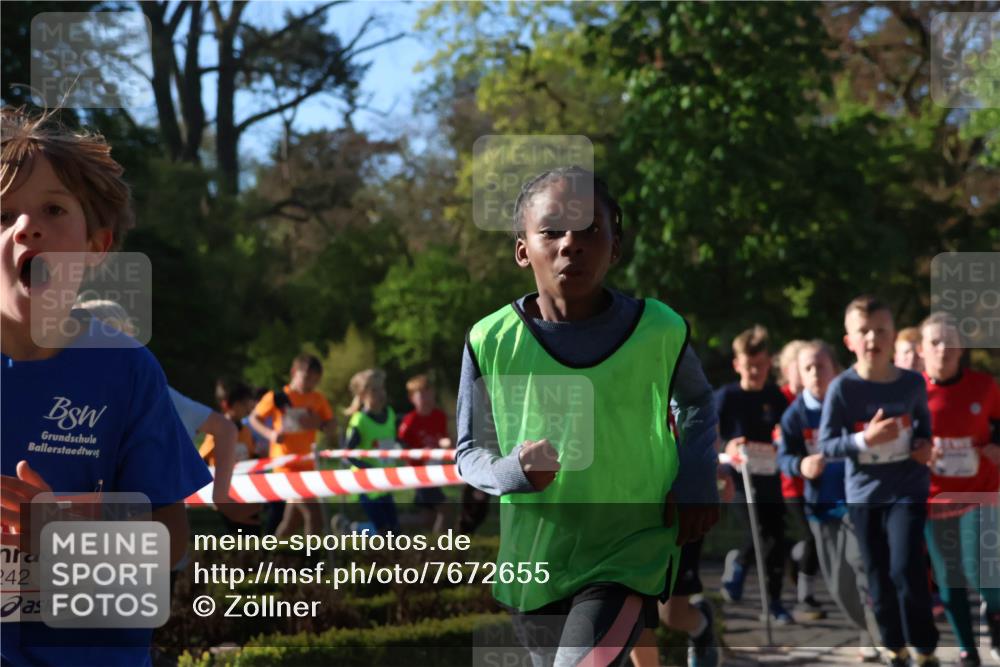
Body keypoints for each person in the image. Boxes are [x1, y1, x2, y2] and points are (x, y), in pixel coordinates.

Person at [456, 166, 720, 666]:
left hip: (628, 549)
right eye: (552, 230)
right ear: (522, 249)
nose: (570, 243)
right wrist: (513, 470)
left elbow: (699, 403)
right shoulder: (489, 340)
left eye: (589, 230)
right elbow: (469, 454)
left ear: (615, 246)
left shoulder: (659, 329)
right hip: (535, 560)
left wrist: (697, 477)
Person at [1, 106, 211, 665]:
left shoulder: (127, 369)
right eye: (3, 215)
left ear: (96, 246)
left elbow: (173, 541)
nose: (25, 228)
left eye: (52, 208)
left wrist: (70, 531)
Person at [819, 295, 939, 667]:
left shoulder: (913, 383)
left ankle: (924, 647)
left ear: (892, 337)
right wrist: (863, 440)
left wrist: (923, 447)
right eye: (863, 332)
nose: (872, 339)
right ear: (849, 341)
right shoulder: (842, 388)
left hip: (906, 488)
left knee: (906, 566)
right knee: (877, 573)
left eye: (880, 331)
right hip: (865, 494)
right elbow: (826, 444)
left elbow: (924, 432)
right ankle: (894, 646)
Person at [778, 340, 881, 661]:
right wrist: (800, 466)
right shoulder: (795, 416)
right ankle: (865, 624)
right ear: (799, 373)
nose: (815, 374)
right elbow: (785, 457)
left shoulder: (848, 404)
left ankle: (876, 634)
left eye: (821, 366)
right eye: (808, 368)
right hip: (820, 506)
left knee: (863, 566)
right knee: (839, 584)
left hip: (856, 499)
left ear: (835, 369)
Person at [918, 313, 1000, 667]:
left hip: (981, 493)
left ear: (962, 347)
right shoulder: (911, 391)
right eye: (934, 342)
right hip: (934, 498)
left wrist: (998, 444)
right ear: (922, 350)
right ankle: (967, 649)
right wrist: (918, 452)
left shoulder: (985, 386)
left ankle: (995, 616)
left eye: (950, 341)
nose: (943, 349)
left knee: (980, 571)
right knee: (948, 582)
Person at [717, 325, 794, 624]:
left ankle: (774, 601)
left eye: (761, 366)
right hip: (739, 479)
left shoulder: (776, 398)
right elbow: (708, 435)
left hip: (770, 477)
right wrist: (726, 445)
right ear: (737, 365)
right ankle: (741, 567)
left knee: (776, 537)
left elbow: (789, 433)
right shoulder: (726, 397)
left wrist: (782, 441)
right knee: (759, 531)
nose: (756, 372)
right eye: (749, 366)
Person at [249, 354, 336, 538]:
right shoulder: (278, 397)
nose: (310, 383)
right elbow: (254, 418)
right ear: (294, 373)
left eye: (315, 380)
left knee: (291, 523)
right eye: (306, 378)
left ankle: (272, 560)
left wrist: (319, 423)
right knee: (314, 514)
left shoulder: (318, 399)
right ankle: (311, 563)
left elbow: (331, 425)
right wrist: (271, 434)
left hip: (308, 466)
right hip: (285, 467)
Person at [776, 339, 822, 621]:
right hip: (791, 483)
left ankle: (797, 558)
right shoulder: (782, 402)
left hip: (818, 484)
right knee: (810, 536)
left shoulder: (822, 397)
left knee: (813, 539)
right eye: (801, 366)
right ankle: (805, 596)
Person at [339, 368, 402, 535]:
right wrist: (369, 470)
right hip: (365, 484)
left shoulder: (390, 414)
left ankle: (353, 528)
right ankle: (354, 531)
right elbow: (347, 455)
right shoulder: (359, 421)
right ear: (362, 395)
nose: (380, 393)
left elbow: (391, 442)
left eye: (382, 388)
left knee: (395, 529)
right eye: (374, 390)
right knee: (384, 531)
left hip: (385, 483)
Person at [200, 379, 263, 533]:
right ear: (227, 405)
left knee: (254, 533)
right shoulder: (217, 432)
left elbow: (251, 457)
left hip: (247, 492)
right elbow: (202, 460)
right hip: (227, 495)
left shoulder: (246, 431)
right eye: (243, 404)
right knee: (237, 536)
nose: (247, 408)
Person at [397, 373, 451, 533]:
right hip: (419, 474)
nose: (427, 398)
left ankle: (369, 526)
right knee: (445, 508)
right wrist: (418, 453)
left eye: (429, 392)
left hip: (436, 472)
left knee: (427, 519)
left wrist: (446, 443)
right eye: (422, 394)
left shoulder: (439, 416)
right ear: (412, 398)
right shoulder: (410, 421)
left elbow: (444, 439)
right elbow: (400, 448)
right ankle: (440, 549)